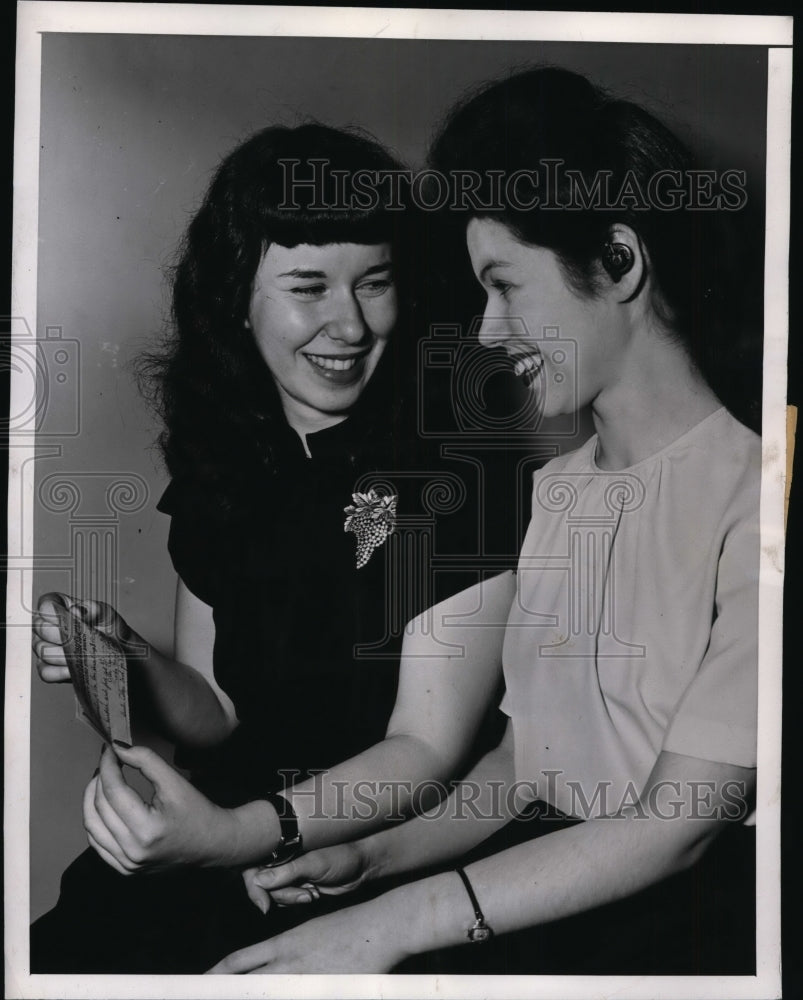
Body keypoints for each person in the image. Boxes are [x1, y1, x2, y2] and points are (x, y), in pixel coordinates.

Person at [209, 66, 760, 975]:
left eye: (505, 286)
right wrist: (372, 861)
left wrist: (390, 926)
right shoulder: (558, 491)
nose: (488, 330)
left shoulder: (761, 495)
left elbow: (677, 829)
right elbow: (524, 764)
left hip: (698, 927)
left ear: (619, 260)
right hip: (546, 883)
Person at [29, 122, 509, 973]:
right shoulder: (223, 467)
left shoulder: (457, 468)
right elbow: (217, 707)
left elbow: (427, 750)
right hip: (229, 837)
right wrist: (128, 656)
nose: (349, 325)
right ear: (236, 299)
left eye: (375, 283)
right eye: (307, 286)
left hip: (383, 858)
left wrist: (236, 835)